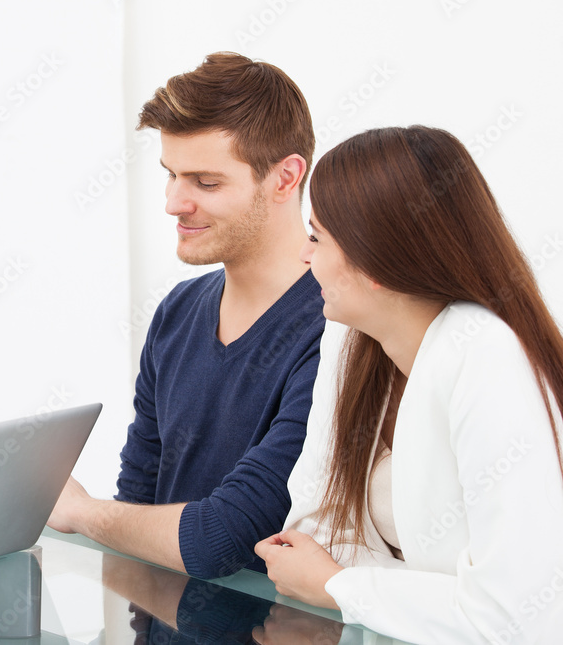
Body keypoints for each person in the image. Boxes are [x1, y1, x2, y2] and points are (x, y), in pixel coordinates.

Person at [255, 125, 563, 643]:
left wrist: (340, 586)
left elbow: (516, 618)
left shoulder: (485, 354)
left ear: (373, 260)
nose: (306, 258)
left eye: (316, 237)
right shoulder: (351, 340)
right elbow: (309, 532)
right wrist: (426, 594)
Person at [49, 52, 325, 578]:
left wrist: (79, 512)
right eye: (171, 175)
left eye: (206, 182)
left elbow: (226, 538)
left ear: (285, 178)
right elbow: (136, 505)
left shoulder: (336, 326)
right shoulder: (177, 311)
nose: (174, 202)